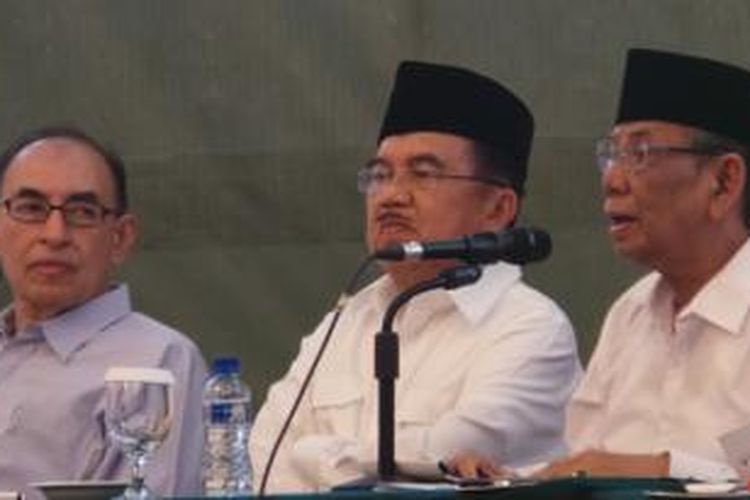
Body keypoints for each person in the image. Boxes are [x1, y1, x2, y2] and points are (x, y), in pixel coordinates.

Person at [250, 61, 581, 492]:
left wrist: (313, 453)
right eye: (380, 175)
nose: (390, 196)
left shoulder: (531, 327)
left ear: (498, 209)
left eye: (423, 174)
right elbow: (266, 454)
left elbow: (450, 452)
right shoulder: (348, 319)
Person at [447, 48, 750, 482]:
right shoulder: (631, 313)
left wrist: (661, 470)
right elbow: (588, 465)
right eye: (611, 153)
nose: (612, 179)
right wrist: (510, 478)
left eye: (641, 153)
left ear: (724, 182)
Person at [0, 127, 207, 496]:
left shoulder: (158, 363)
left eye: (82, 212)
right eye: (30, 208)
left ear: (121, 238)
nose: (55, 234)